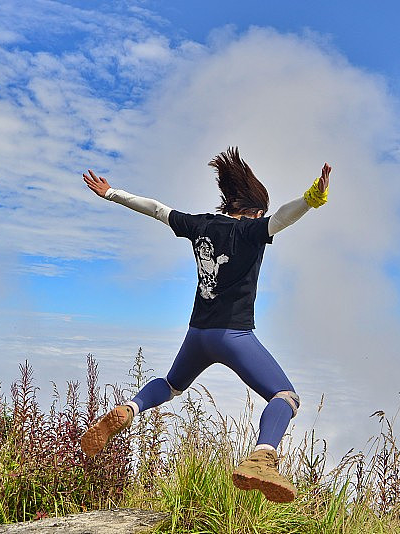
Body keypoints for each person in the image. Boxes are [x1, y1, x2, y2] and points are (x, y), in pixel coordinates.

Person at [79, 147, 330, 503]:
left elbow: (155, 208)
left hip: (197, 335)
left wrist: (111, 193)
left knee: (170, 384)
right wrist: (312, 197)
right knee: (285, 397)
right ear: (255, 211)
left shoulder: (200, 225)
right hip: (234, 335)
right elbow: (285, 218)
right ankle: (262, 457)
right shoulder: (252, 231)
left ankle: (129, 408)